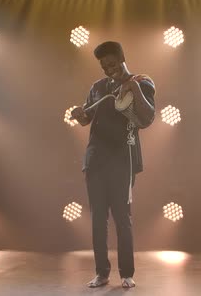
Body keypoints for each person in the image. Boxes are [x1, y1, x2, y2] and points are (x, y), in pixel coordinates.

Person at [70, 41, 155, 288]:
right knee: (98, 218)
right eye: (104, 66)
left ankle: (127, 273)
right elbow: (87, 119)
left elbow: (147, 118)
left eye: (112, 64)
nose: (108, 69)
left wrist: (133, 89)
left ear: (122, 58)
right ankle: (102, 273)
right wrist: (79, 116)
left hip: (123, 160)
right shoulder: (98, 87)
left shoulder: (142, 81)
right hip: (96, 160)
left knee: (122, 218)